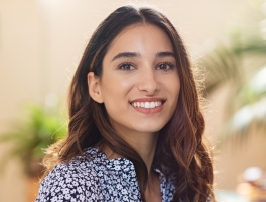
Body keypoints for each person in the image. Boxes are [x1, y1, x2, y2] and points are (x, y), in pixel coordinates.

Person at [35, 4, 215, 202]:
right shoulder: (72, 185)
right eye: (127, 66)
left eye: (164, 65)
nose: (150, 84)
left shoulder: (185, 182)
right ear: (96, 87)